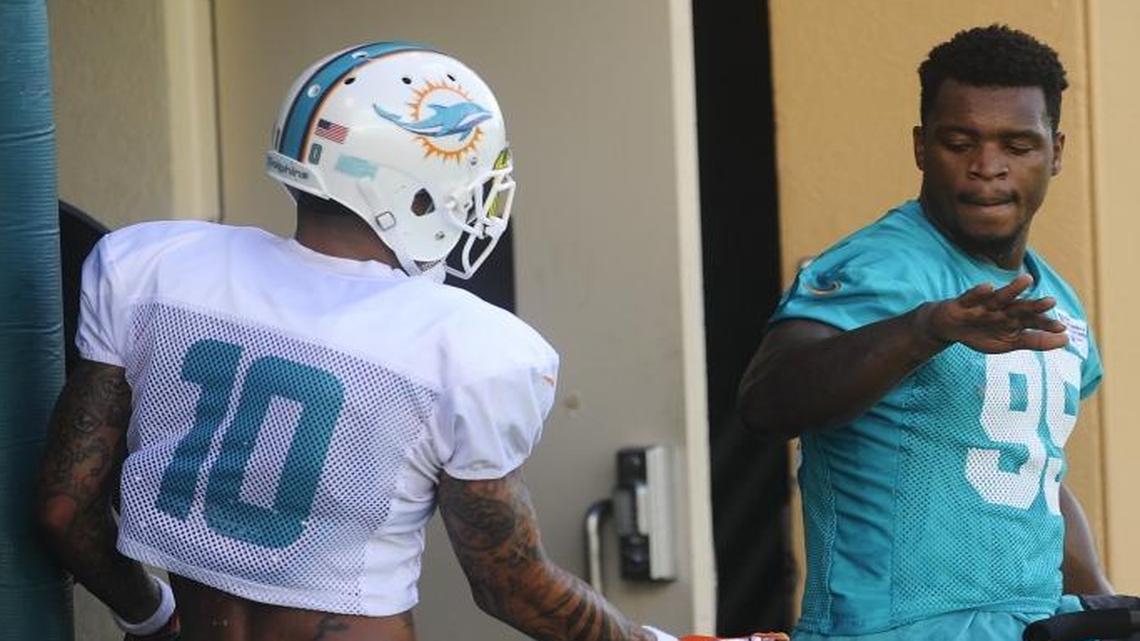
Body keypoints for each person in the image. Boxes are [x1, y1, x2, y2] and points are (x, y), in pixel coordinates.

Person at [34, 40, 717, 641]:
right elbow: (509, 584)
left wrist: (151, 615)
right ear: (417, 192)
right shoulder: (468, 346)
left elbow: (65, 511)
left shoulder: (153, 267)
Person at [738, 25, 1113, 640]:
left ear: (1056, 151)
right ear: (921, 147)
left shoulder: (1055, 297)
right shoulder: (877, 267)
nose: (987, 168)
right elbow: (766, 401)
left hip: (1028, 627)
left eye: (1017, 145)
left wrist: (1100, 602)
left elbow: (1034, 468)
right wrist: (925, 330)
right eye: (959, 143)